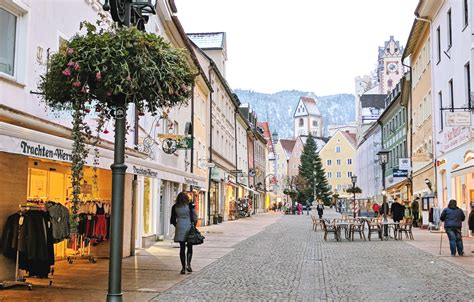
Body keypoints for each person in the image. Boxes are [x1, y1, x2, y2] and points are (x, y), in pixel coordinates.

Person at [170, 192, 197, 274]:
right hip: (189, 227)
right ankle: (188, 264)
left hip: (180, 227)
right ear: (186, 198)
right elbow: (194, 216)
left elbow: (172, 220)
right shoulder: (189, 205)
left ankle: (183, 267)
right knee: (189, 246)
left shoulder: (175, 207)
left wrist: (177, 226)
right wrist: (194, 226)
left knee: (182, 248)